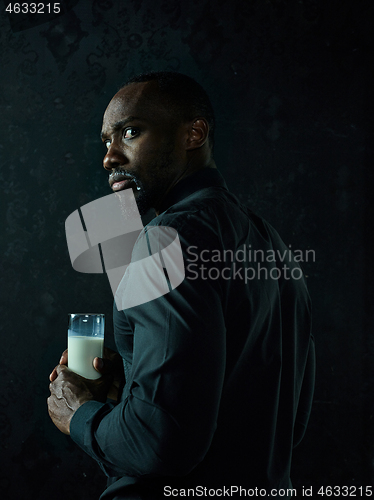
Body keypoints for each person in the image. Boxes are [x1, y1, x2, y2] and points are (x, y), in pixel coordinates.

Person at [48, 71, 315, 499]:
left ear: (194, 133)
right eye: (106, 141)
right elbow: (288, 424)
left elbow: (158, 443)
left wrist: (79, 414)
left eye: (130, 132)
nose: (110, 157)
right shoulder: (274, 246)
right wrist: (134, 381)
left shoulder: (164, 240)